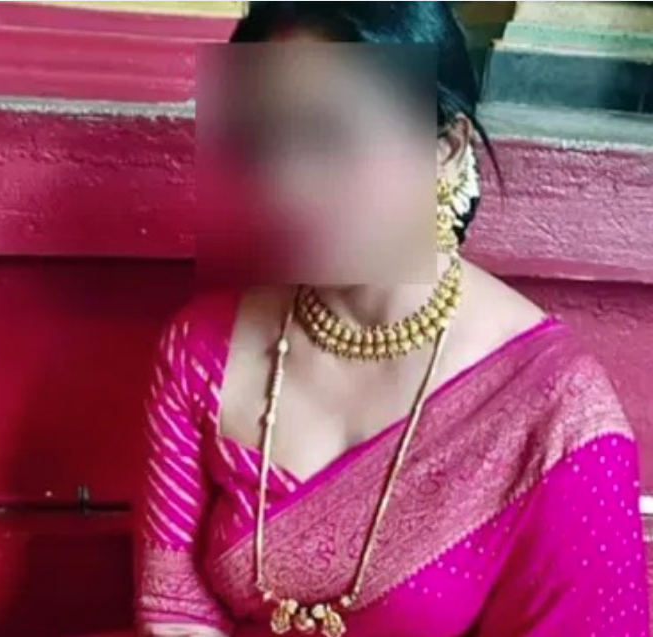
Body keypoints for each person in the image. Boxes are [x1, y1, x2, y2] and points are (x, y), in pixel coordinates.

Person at [135, 3, 651, 636]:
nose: (285, 186)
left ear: (446, 148)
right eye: (263, 141)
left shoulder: (555, 413)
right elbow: (175, 613)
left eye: (331, 137)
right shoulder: (202, 352)